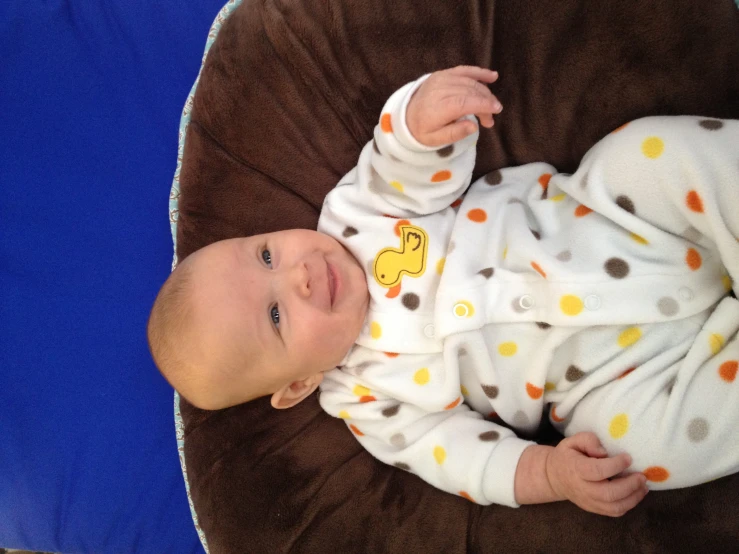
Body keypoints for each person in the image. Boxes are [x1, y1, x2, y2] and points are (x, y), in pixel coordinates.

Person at [148, 66, 739, 516]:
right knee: (637, 452)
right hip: (614, 371)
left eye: (267, 254)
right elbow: (464, 459)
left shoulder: (355, 215)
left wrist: (417, 118)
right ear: (299, 384)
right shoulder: (368, 405)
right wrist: (550, 475)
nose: (297, 275)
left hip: (607, 217)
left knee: (642, 156)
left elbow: (397, 161)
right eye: (276, 315)